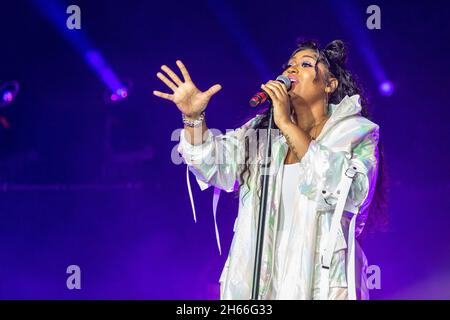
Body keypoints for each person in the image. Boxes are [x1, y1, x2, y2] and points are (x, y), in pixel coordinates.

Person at [153, 39, 385, 300]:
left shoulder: (356, 132)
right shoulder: (262, 133)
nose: (291, 70)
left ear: (330, 84)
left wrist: (286, 123)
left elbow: (350, 192)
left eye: (305, 64)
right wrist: (194, 118)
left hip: (321, 285)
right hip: (257, 287)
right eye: (289, 66)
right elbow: (212, 163)